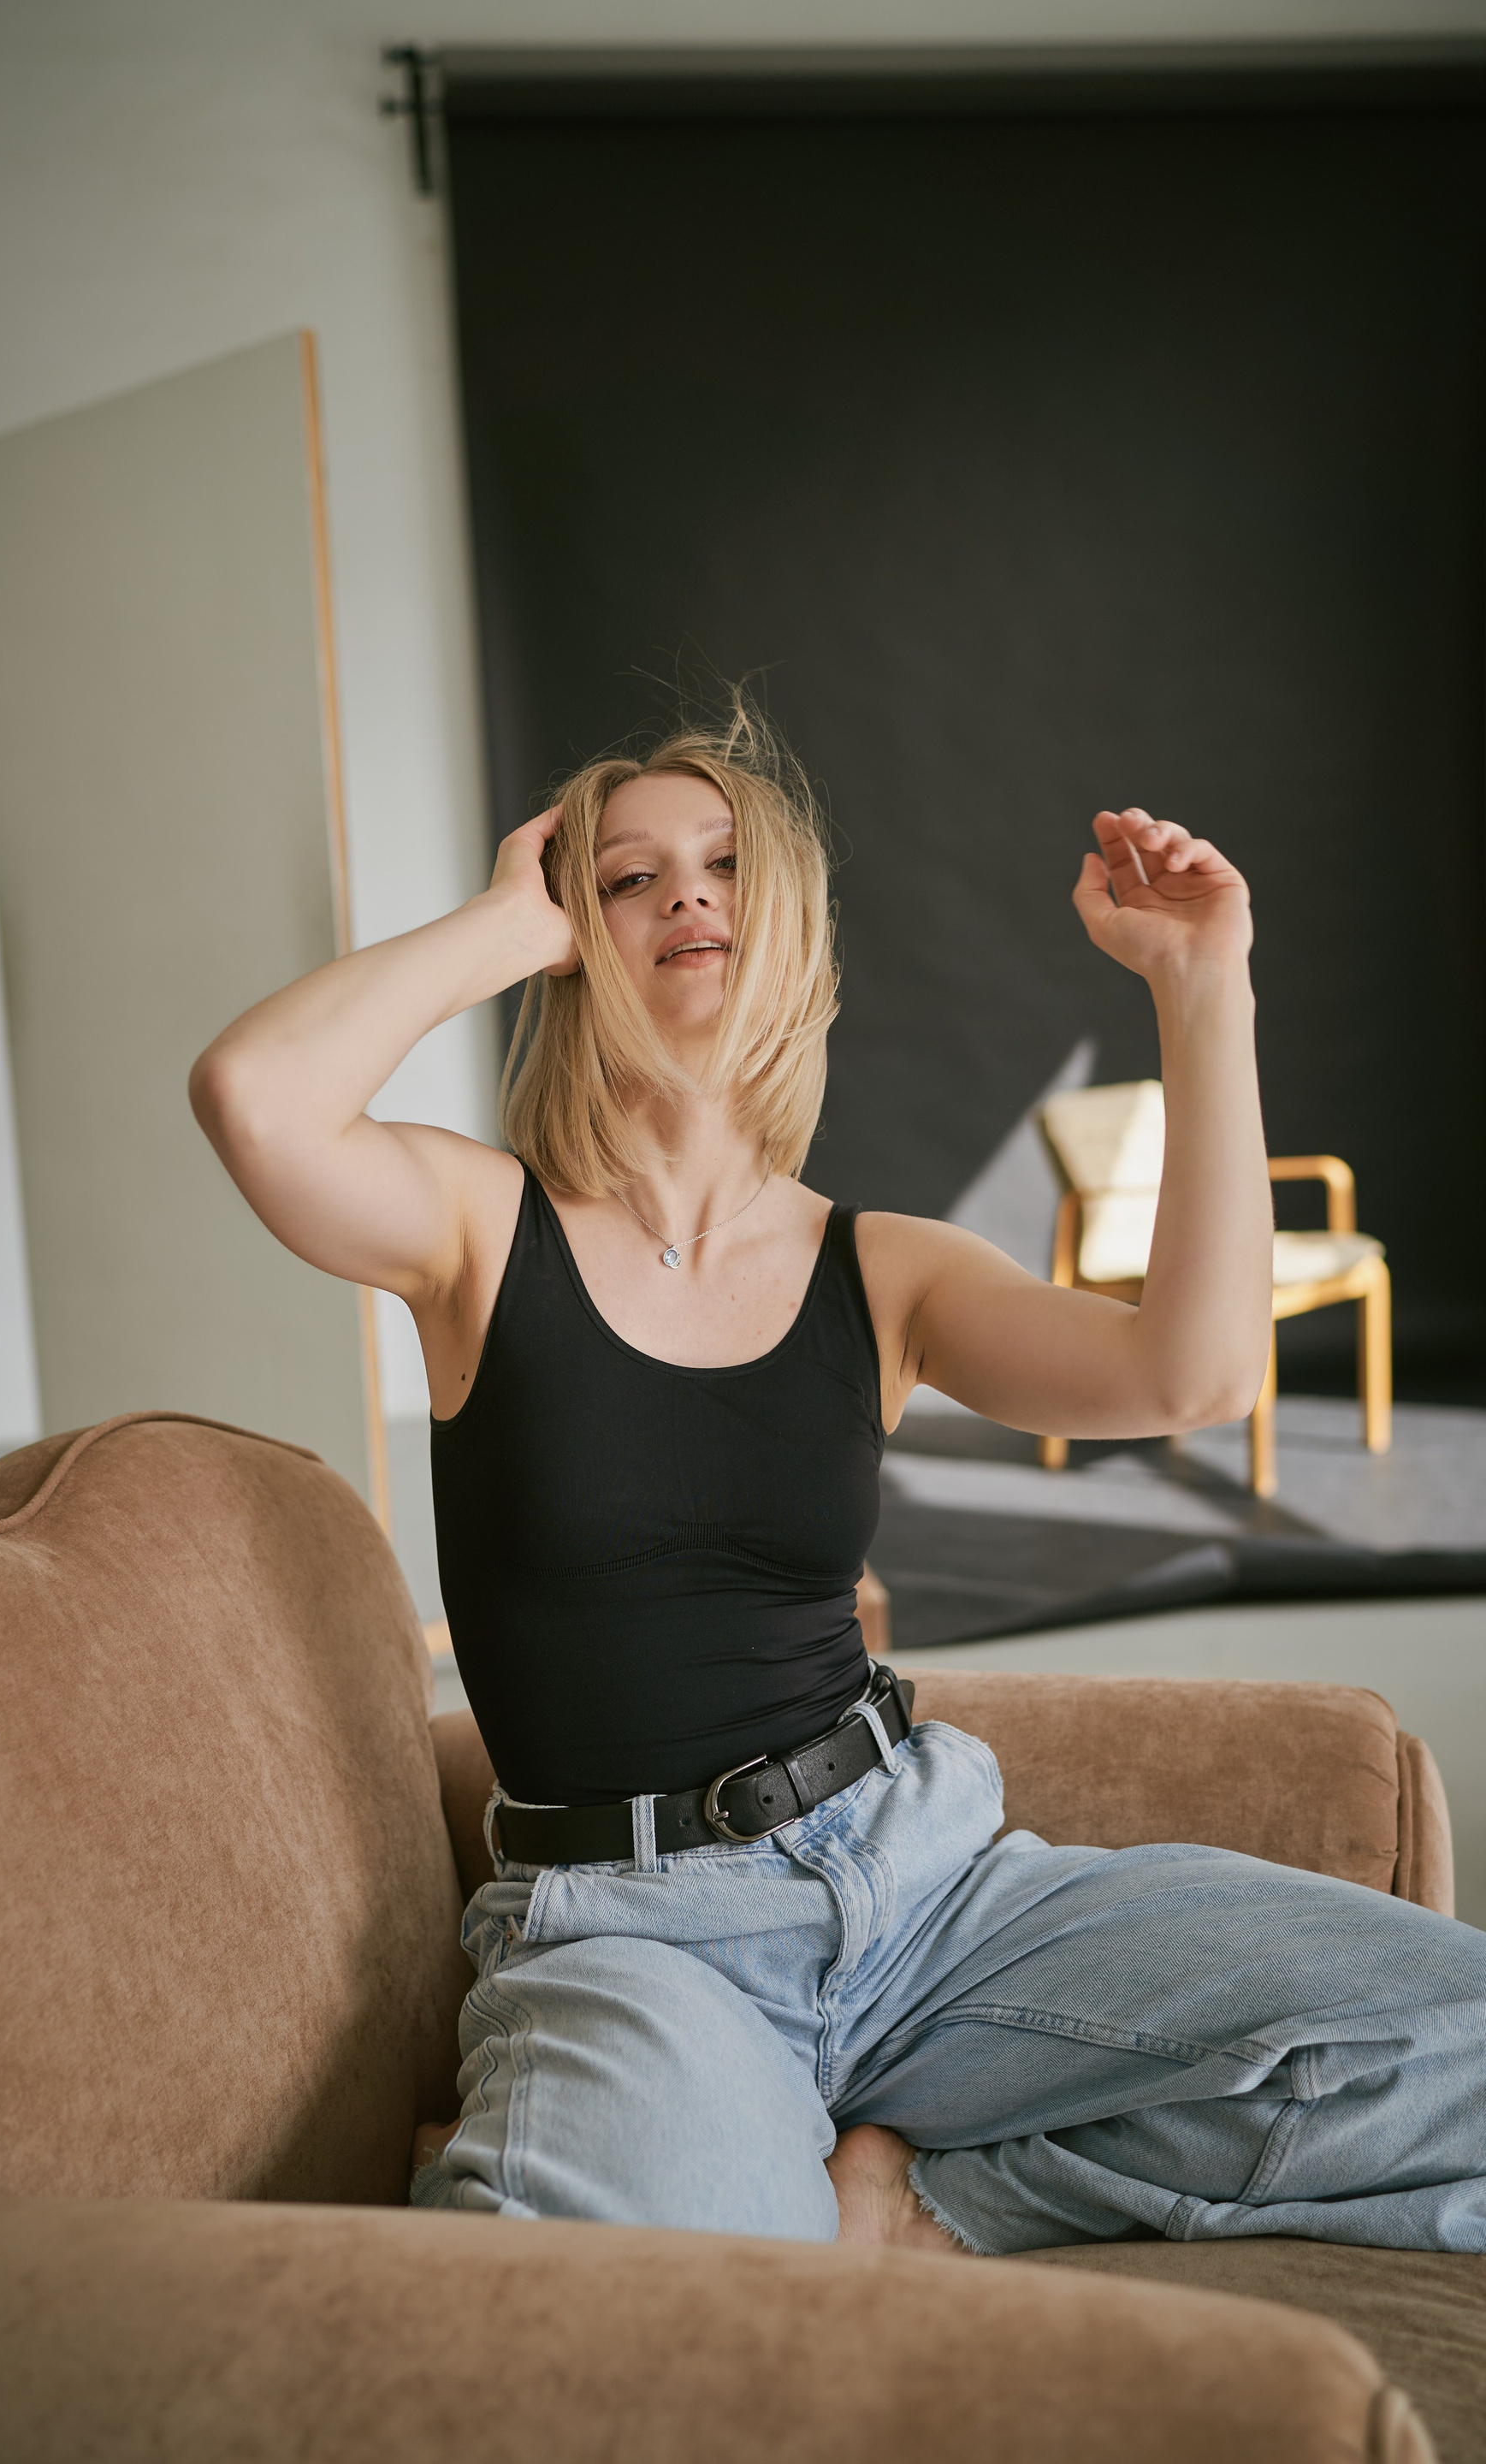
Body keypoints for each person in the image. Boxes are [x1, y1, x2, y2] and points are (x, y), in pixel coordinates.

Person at [191, 705, 1484, 2255]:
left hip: (919, 1886)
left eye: (727, 863)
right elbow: (256, 1098)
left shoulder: (885, 1272)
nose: (687, 892)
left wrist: (1204, 988)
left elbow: (1190, 1374)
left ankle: (931, 2204)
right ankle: (781, 2207)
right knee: (644, 2292)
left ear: (791, 927)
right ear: (575, 936)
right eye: (627, 878)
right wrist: (502, 927)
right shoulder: (477, 1229)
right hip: (632, 1942)